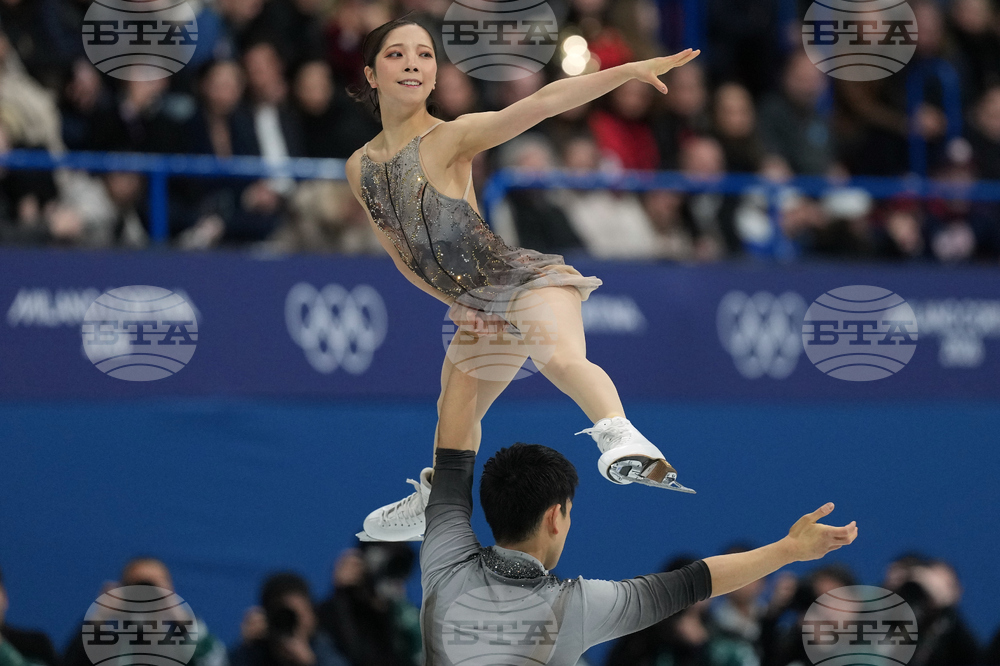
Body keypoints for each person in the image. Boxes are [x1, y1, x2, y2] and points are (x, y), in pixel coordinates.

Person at [344, 15, 701, 542]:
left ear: (437, 74)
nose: (413, 63)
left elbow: (540, 104)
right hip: (479, 301)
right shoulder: (360, 167)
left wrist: (624, 72)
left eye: (424, 54)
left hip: (519, 277)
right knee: (454, 404)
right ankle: (439, 501)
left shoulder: (451, 137)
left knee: (558, 357)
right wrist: (459, 302)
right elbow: (403, 255)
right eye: (397, 54)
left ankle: (623, 441)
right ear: (371, 74)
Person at [418, 396, 858, 665]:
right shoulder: (576, 607)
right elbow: (695, 581)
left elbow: (453, 446)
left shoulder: (445, 562)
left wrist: (472, 340)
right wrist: (787, 549)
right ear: (556, 517)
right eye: (569, 513)